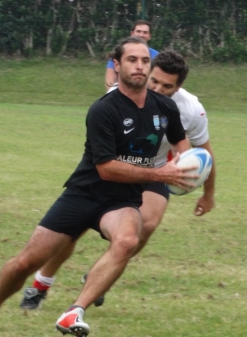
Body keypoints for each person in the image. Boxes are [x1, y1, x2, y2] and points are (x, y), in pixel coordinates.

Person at [0, 36, 196, 336]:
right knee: (26, 262)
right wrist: (161, 174)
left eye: (145, 61)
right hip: (83, 194)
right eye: (132, 60)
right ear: (117, 64)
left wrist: (189, 167)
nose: (139, 66)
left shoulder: (165, 108)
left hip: (122, 200)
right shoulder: (104, 109)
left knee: (126, 241)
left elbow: (181, 143)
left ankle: (74, 312)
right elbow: (107, 168)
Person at [19, 50, 216, 310]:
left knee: (146, 224)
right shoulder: (120, 97)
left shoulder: (191, 110)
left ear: (179, 88)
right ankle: (41, 284)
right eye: (154, 81)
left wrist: (207, 193)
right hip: (114, 167)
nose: (157, 88)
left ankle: (99, 278)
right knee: (72, 230)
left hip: (157, 169)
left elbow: (203, 153)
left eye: (167, 86)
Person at [104, 20, 159, 91]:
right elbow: (109, 81)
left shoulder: (157, 56)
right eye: (138, 31)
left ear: (149, 36)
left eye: (145, 32)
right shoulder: (120, 53)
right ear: (132, 33)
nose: (141, 35)